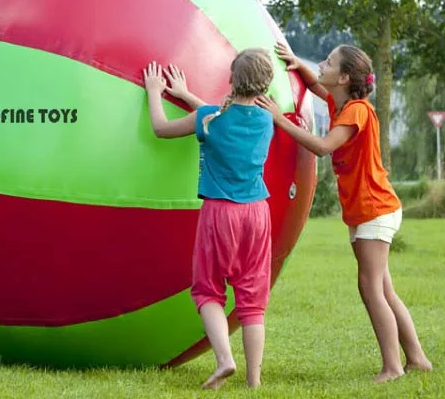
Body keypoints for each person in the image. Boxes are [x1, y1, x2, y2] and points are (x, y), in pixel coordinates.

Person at [256, 43, 433, 383]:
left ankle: (393, 367)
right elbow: (315, 85)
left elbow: (323, 147)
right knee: (383, 288)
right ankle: (417, 359)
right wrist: (297, 65)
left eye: (329, 62)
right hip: (366, 210)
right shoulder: (340, 104)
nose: (321, 64)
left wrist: (279, 119)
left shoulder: (356, 111)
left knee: (371, 288)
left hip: (373, 209)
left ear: (345, 77)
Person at [143, 50, 274, 389]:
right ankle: (254, 382)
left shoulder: (209, 118)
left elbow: (161, 129)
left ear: (231, 79)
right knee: (252, 301)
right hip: (258, 214)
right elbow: (226, 117)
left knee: (207, 291)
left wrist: (156, 93)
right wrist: (186, 95)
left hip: (221, 214)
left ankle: (224, 359)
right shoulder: (266, 120)